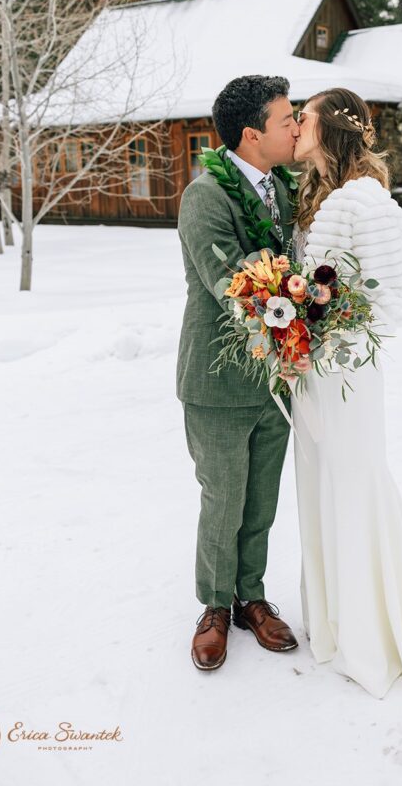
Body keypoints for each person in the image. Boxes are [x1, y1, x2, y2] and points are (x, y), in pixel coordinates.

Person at [290, 87, 402, 698]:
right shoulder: (326, 198)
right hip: (312, 375)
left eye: (303, 117)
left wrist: (330, 348)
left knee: (354, 486)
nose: (295, 125)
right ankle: (332, 621)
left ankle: (371, 633)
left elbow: (389, 304)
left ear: (330, 127)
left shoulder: (367, 201)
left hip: (348, 377)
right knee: (320, 489)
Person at [176, 74, 300, 671]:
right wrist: (300, 276)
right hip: (218, 380)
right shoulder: (206, 196)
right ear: (253, 135)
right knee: (222, 500)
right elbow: (230, 282)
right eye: (287, 120)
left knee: (261, 502)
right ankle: (214, 608)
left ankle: (251, 597)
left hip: (275, 378)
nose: (297, 128)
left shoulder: (287, 187)